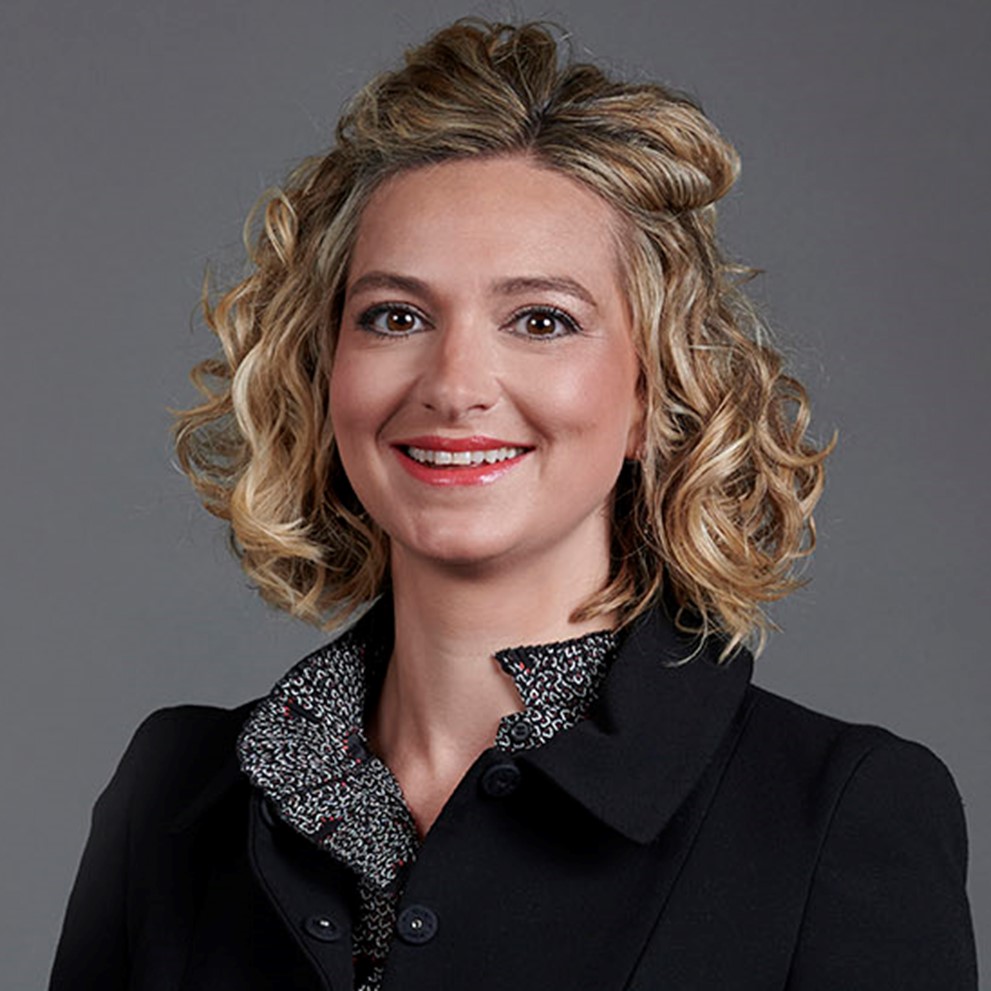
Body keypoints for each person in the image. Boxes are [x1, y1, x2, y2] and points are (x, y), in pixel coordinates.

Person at [50, 19, 977, 991]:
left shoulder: (835, 814)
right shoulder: (172, 799)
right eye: (395, 316)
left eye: (541, 320)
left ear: (652, 393)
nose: (454, 385)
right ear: (323, 373)